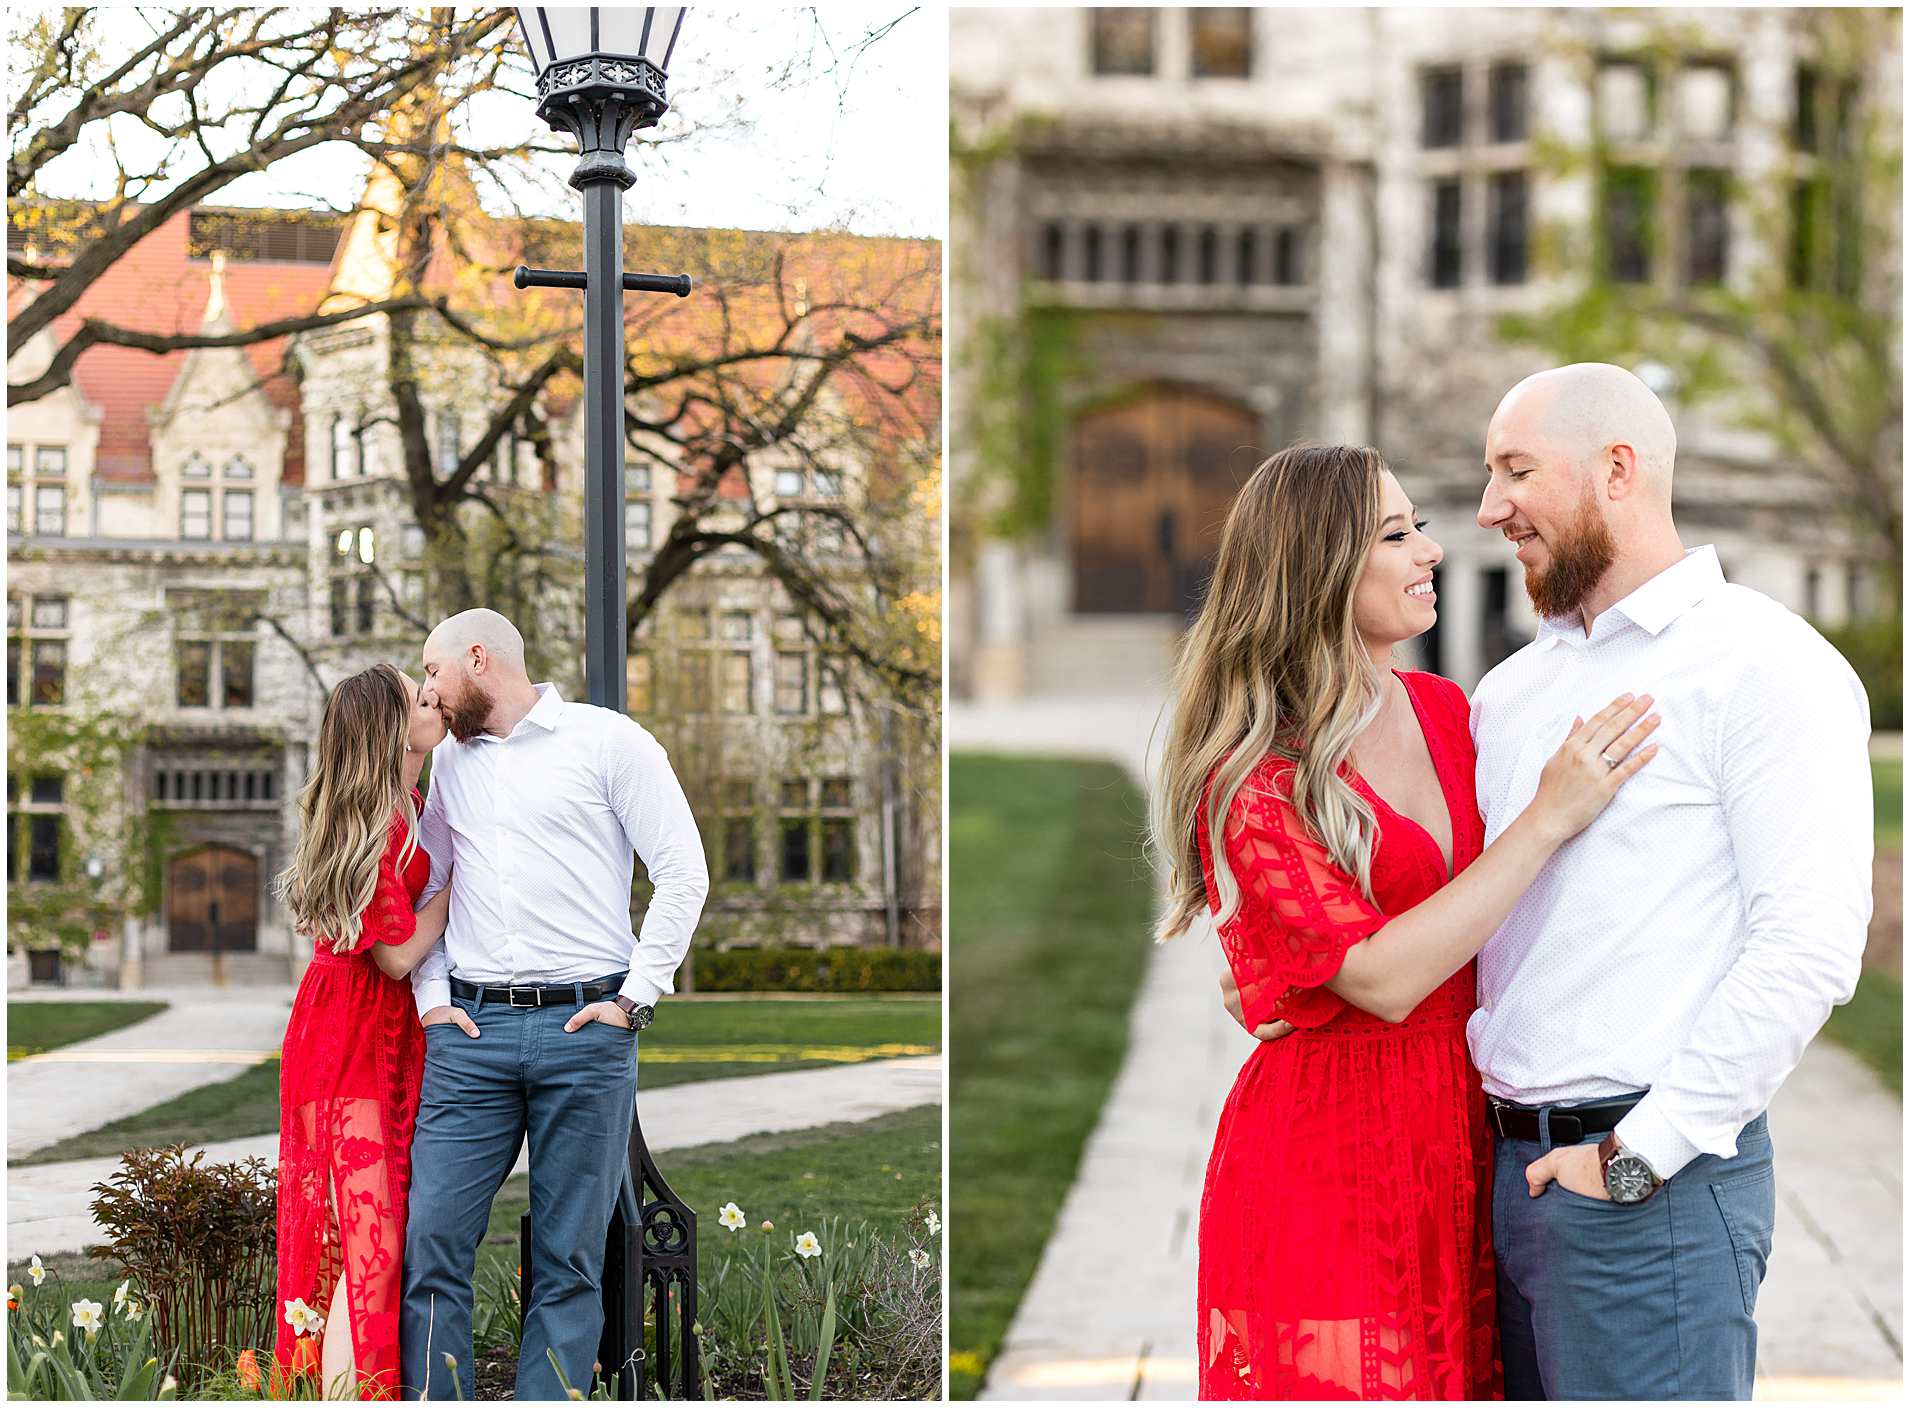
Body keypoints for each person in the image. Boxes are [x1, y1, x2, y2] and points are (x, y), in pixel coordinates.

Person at [1231, 364, 1873, 1400]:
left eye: (1515, 472)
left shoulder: (1761, 664)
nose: (1487, 510)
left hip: (1641, 1186)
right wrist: (1286, 965)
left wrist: (1633, 1157)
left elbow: (1807, 943)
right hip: (1483, 1187)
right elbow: (1444, 902)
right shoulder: (1507, 691)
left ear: (1615, 470)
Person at [1152, 443, 1656, 1401]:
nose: (1431, 550)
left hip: (1470, 1138)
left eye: (1420, 525)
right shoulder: (1253, 769)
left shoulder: (1445, 708)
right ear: (1318, 567)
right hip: (1329, 1151)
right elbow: (1379, 980)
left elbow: (1496, 910)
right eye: (1396, 533)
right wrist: (1551, 815)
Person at [399, 608, 710, 1402]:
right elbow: (429, 887)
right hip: (470, 1036)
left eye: (432, 672)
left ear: (478, 659)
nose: (427, 691)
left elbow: (682, 871)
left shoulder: (609, 742)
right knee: (433, 1242)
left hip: (587, 1031)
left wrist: (636, 998)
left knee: (570, 1259)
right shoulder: (454, 766)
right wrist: (432, 999)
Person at [272, 663, 454, 1400]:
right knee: (362, 1239)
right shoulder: (377, 819)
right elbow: (398, 953)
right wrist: (463, 886)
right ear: (390, 727)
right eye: (419, 695)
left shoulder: (406, 801)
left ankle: (337, 1385)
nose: (433, 696)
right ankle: (355, 1392)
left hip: (371, 1026)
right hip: (349, 1031)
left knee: (366, 1232)